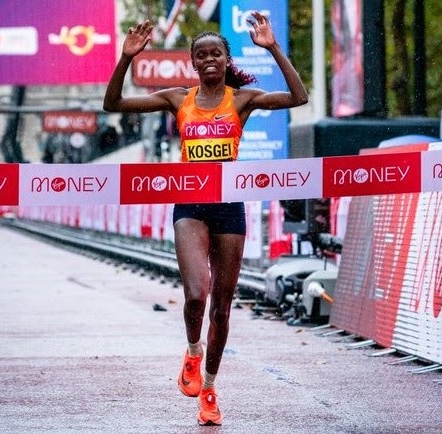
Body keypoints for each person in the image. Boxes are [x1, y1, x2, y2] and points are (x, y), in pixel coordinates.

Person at [103, 11, 308, 426]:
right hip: (189, 205)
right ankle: (193, 352)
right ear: (193, 63)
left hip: (229, 206)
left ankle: (210, 388)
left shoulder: (242, 100)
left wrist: (272, 47)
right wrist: (126, 58)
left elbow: (297, 97)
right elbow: (114, 104)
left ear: (226, 59)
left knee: (223, 308)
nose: (209, 59)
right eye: (202, 55)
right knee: (197, 294)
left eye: (216, 53)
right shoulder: (178, 98)